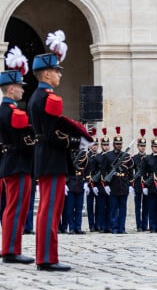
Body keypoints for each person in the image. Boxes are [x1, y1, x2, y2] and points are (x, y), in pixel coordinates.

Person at [28, 32, 92, 271]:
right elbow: (54, 133)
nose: (60, 74)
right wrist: (78, 141)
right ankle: (46, 257)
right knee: (50, 208)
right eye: (57, 70)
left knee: (49, 207)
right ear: (46, 73)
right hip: (52, 158)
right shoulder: (48, 98)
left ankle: (47, 255)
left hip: (45, 158)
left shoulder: (37, 97)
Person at [0, 48, 36, 265]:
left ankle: (8, 248)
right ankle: (11, 250)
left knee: (10, 207)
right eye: (20, 87)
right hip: (18, 164)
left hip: (7, 163)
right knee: (16, 207)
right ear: (11, 88)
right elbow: (26, 142)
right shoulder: (15, 113)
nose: (23, 91)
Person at [101, 126, 133, 234]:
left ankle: (122, 228)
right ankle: (114, 228)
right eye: (117, 143)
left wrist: (130, 185)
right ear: (113, 144)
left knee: (123, 209)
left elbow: (130, 171)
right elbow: (103, 171)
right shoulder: (108, 156)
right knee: (113, 209)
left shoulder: (127, 156)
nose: (118, 145)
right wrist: (105, 185)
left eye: (120, 144)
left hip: (123, 184)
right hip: (113, 184)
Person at [142, 128, 157, 232]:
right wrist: (144, 186)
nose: (156, 148)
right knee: (151, 208)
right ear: (151, 147)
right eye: (154, 146)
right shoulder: (147, 159)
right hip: (150, 186)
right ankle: (152, 227)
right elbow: (143, 173)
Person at [65, 146, 89, 234]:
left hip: (80, 184)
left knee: (79, 208)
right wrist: (65, 183)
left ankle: (78, 227)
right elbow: (65, 170)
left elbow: (87, 169)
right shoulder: (68, 155)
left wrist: (86, 182)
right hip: (70, 184)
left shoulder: (83, 154)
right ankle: (71, 227)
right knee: (70, 209)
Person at [93, 129, 111, 233]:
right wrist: (94, 185)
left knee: (110, 207)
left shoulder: (112, 156)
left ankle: (109, 225)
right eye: (104, 145)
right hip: (100, 184)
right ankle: (100, 225)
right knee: (100, 207)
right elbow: (94, 171)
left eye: (107, 144)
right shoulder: (97, 157)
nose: (106, 146)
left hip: (110, 185)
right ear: (101, 145)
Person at [132, 129, 149, 231]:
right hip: (137, 184)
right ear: (138, 147)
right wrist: (132, 185)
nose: (142, 148)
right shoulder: (134, 158)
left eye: (144, 146)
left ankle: (144, 225)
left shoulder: (148, 158)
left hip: (146, 184)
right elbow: (131, 172)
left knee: (146, 206)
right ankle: (138, 225)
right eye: (141, 146)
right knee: (137, 206)